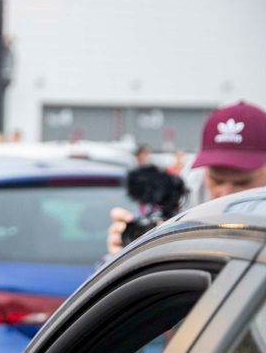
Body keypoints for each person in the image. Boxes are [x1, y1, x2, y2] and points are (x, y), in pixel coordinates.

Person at [108, 100, 266, 255]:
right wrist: (124, 257)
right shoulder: (177, 211)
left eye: (242, 182)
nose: (225, 192)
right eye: (217, 180)